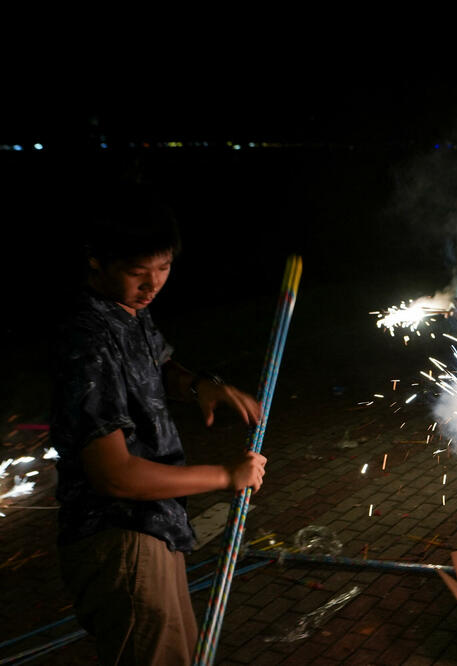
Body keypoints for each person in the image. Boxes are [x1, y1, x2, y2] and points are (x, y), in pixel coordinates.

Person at [51, 184, 267, 665]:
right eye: (137, 273)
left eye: (164, 268)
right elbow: (115, 474)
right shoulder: (87, 341)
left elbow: (160, 365)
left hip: (154, 529)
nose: (153, 286)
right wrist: (225, 476)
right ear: (96, 261)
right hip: (122, 538)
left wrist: (199, 385)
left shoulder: (128, 312)